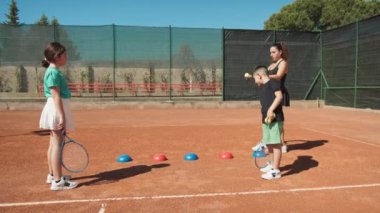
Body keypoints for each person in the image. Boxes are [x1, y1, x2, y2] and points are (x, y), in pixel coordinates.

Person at [39, 42, 78, 190]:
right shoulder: (53, 72)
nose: (67, 57)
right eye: (65, 55)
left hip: (56, 108)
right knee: (57, 144)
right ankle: (58, 181)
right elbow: (56, 96)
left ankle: (52, 175)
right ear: (57, 57)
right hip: (57, 109)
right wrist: (61, 116)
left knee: (53, 143)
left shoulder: (52, 71)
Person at [252, 65, 283, 180]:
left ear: (260, 76)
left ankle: (275, 171)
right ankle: (272, 165)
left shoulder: (273, 83)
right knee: (269, 143)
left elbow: (279, 96)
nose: (255, 81)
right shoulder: (263, 87)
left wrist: (270, 110)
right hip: (266, 120)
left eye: (255, 78)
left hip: (275, 119)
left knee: (276, 144)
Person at [267, 42, 290, 153]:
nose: (271, 54)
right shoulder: (271, 65)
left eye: (274, 52)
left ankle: (282, 143)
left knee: (278, 118)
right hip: (270, 93)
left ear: (280, 52)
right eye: (270, 52)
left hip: (278, 93)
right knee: (269, 116)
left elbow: (278, 76)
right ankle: (268, 140)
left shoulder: (283, 63)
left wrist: (264, 76)